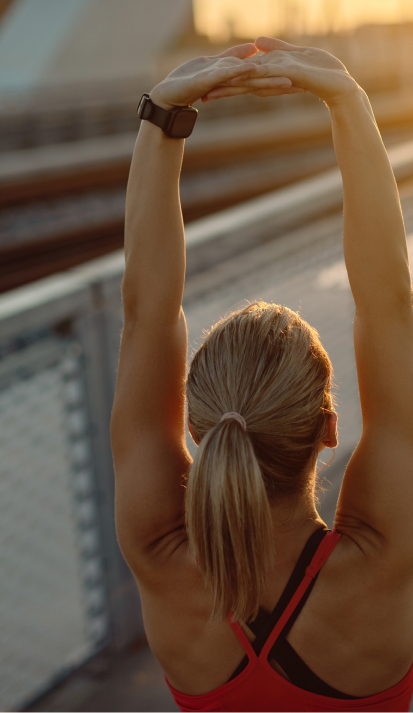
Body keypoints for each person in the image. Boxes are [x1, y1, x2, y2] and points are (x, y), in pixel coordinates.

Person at [110, 37, 413, 712]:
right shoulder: (385, 556)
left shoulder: (160, 557)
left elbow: (145, 317)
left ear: (191, 427)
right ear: (328, 428)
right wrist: (347, 99)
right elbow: (388, 306)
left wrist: (163, 115)